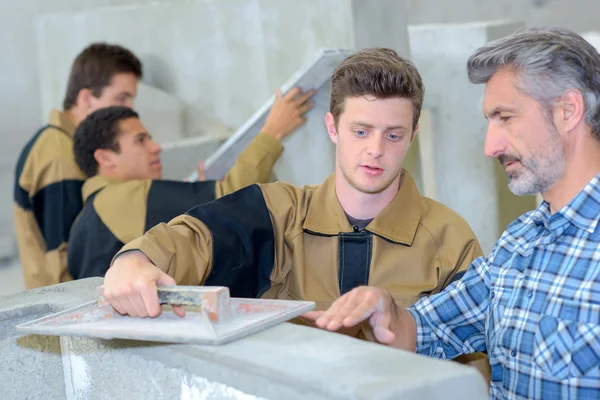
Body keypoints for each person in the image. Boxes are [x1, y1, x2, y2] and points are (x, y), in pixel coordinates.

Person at [100, 48, 489, 375]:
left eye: (393, 135)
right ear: (332, 127)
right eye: (360, 131)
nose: (375, 149)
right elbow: (197, 235)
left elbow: (477, 367)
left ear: (413, 135)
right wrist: (135, 259)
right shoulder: (278, 211)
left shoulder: (449, 240)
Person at [310, 27, 600, 399]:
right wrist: (386, 311)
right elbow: (426, 328)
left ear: (568, 110)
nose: (490, 145)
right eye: (489, 121)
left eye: (505, 117)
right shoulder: (520, 242)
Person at [68, 86, 314, 278]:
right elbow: (230, 194)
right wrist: (273, 132)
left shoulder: (80, 225)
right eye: (140, 141)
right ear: (104, 157)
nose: (156, 148)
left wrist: (204, 204)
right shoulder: (126, 197)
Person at [14, 42, 142, 289]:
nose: (130, 109)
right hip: (61, 313)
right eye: (122, 98)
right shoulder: (60, 155)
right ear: (86, 98)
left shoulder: (65, 144)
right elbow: (61, 256)